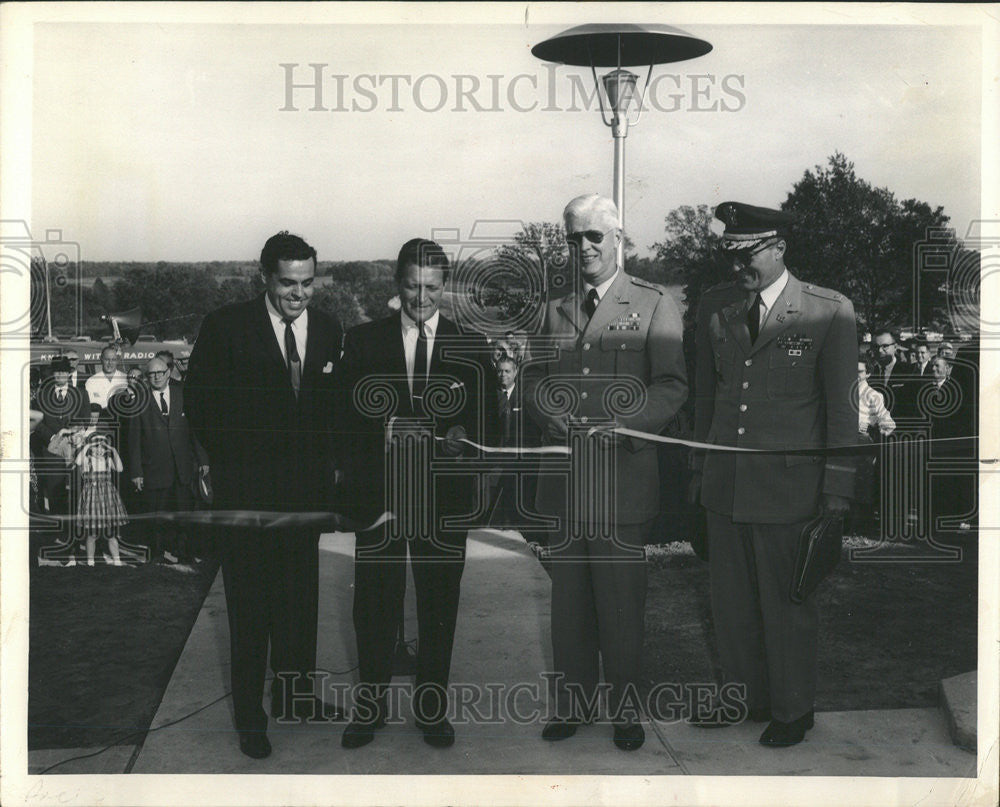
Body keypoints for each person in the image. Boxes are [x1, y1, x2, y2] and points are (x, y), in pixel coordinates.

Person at [688, 201, 857, 748]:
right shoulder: (716, 308)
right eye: (730, 253)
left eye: (749, 253)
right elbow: (707, 401)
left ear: (779, 248)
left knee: (787, 605)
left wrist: (836, 487)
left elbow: (841, 408)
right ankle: (743, 698)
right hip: (725, 485)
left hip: (790, 488)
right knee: (730, 603)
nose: (738, 265)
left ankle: (792, 709)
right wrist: (699, 474)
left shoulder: (827, 310)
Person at [523, 194, 688, 752]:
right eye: (575, 238)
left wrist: (628, 422)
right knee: (568, 604)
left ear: (619, 238)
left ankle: (625, 711)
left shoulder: (653, 302)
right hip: (567, 484)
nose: (585, 247)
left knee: (620, 603)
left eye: (595, 236)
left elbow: (672, 385)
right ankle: (572, 705)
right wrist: (549, 413)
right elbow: (530, 383)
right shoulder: (553, 308)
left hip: (622, 480)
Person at [184, 231, 344, 760]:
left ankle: (297, 700)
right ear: (264, 279)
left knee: (300, 604)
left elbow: (331, 411)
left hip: (305, 499)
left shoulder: (327, 328)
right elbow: (201, 405)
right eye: (287, 283)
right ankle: (251, 718)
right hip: (248, 497)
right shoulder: (225, 326)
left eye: (307, 282)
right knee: (250, 609)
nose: (299, 294)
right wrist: (229, 468)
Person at [337, 237, 487, 750]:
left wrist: (464, 436)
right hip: (381, 501)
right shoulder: (361, 341)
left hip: (443, 502)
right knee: (375, 605)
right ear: (396, 285)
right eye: (411, 287)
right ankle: (370, 706)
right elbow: (344, 424)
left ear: (444, 287)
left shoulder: (470, 344)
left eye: (431, 288)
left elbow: (490, 420)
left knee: (438, 603)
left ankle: (432, 709)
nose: (421, 298)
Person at [129, 356, 209, 563]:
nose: (155, 377)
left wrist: (203, 460)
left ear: (167, 373)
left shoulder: (182, 394)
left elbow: (194, 431)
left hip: (182, 467)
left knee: (183, 513)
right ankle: (157, 554)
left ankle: (183, 552)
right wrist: (136, 472)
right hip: (154, 468)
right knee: (157, 515)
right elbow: (134, 440)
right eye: (151, 374)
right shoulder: (140, 400)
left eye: (159, 373)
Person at [31, 357, 92, 527]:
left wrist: (73, 432)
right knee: (54, 489)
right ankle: (60, 529)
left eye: (63, 372)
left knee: (76, 489)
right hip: (50, 450)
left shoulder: (80, 393)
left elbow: (85, 419)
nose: (59, 375)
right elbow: (37, 421)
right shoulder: (42, 394)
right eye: (56, 372)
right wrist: (53, 437)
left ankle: (76, 529)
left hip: (75, 449)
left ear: (68, 373)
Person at [485, 355, 541, 529]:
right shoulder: (489, 396)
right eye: (500, 371)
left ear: (515, 372)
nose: (503, 375)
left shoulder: (525, 396)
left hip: (522, 462)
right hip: (496, 461)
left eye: (507, 371)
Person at [74, 432, 126, 567]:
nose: (99, 449)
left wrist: (113, 451)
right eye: (96, 446)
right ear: (91, 447)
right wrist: (88, 445)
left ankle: (117, 560)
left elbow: (120, 469)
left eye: (102, 447)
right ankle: (90, 561)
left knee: (111, 532)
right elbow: (77, 461)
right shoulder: (87, 460)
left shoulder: (108, 460)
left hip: (107, 497)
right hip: (92, 498)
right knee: (92, 533)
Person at [84, 345, 128, 412]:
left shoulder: (126, 379)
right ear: (101, 359)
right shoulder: (91, 381)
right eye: (107, 359)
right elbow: (90, 406)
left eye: (113, 360)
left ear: (117, 361)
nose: (110, 363)